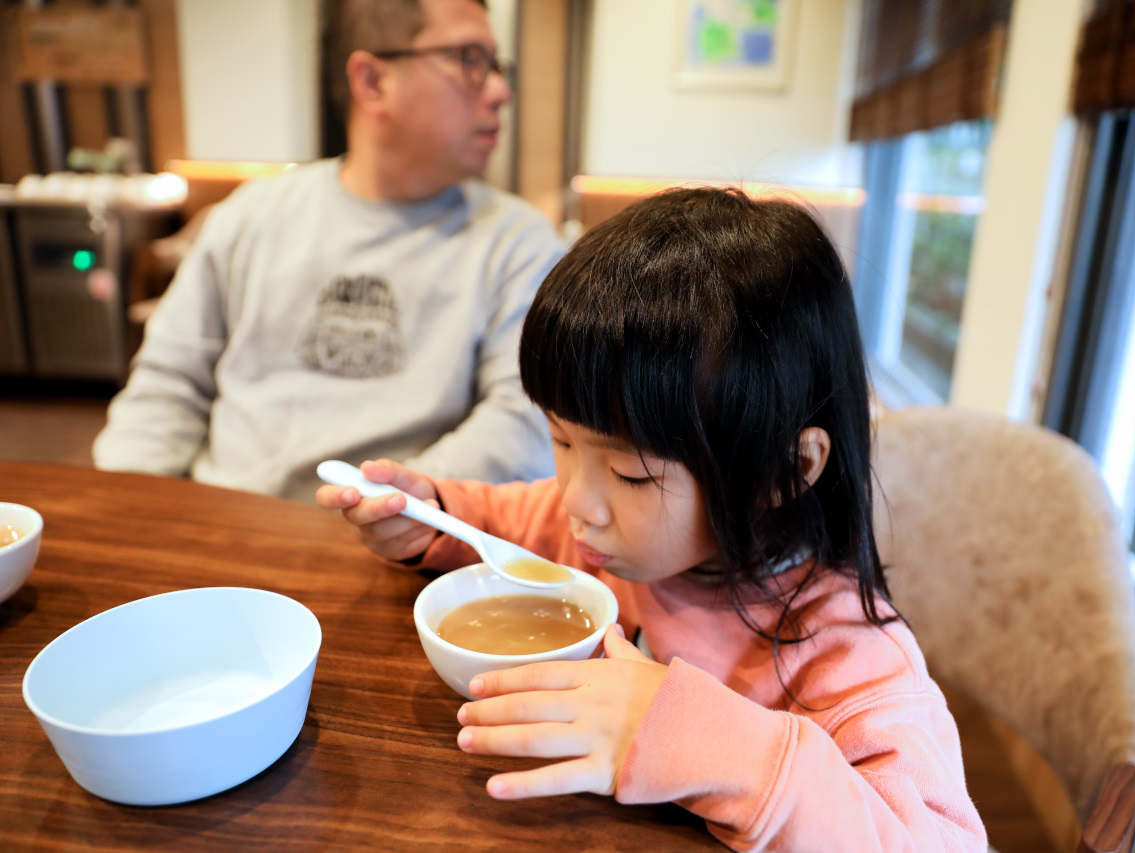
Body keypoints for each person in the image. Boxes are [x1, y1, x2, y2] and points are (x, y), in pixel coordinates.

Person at [317, 188, 987, 852]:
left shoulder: (846, 653)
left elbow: (936, 839)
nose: (577, 500)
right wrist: (431, 516)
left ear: (781, 471)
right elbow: (501, 525)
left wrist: (712, 744)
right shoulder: (589, 527)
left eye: (632, 474)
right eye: (561, 439)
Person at [94, 0, 561, 501]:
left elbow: (524, 421)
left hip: (407, 545)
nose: (500, 90)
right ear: (372, 81)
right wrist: (129, 510)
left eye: (495, 64)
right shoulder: (251, 217)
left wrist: (388, 510)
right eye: (468, 59)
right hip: (223, 526)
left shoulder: (520, 246)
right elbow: (168, 386)